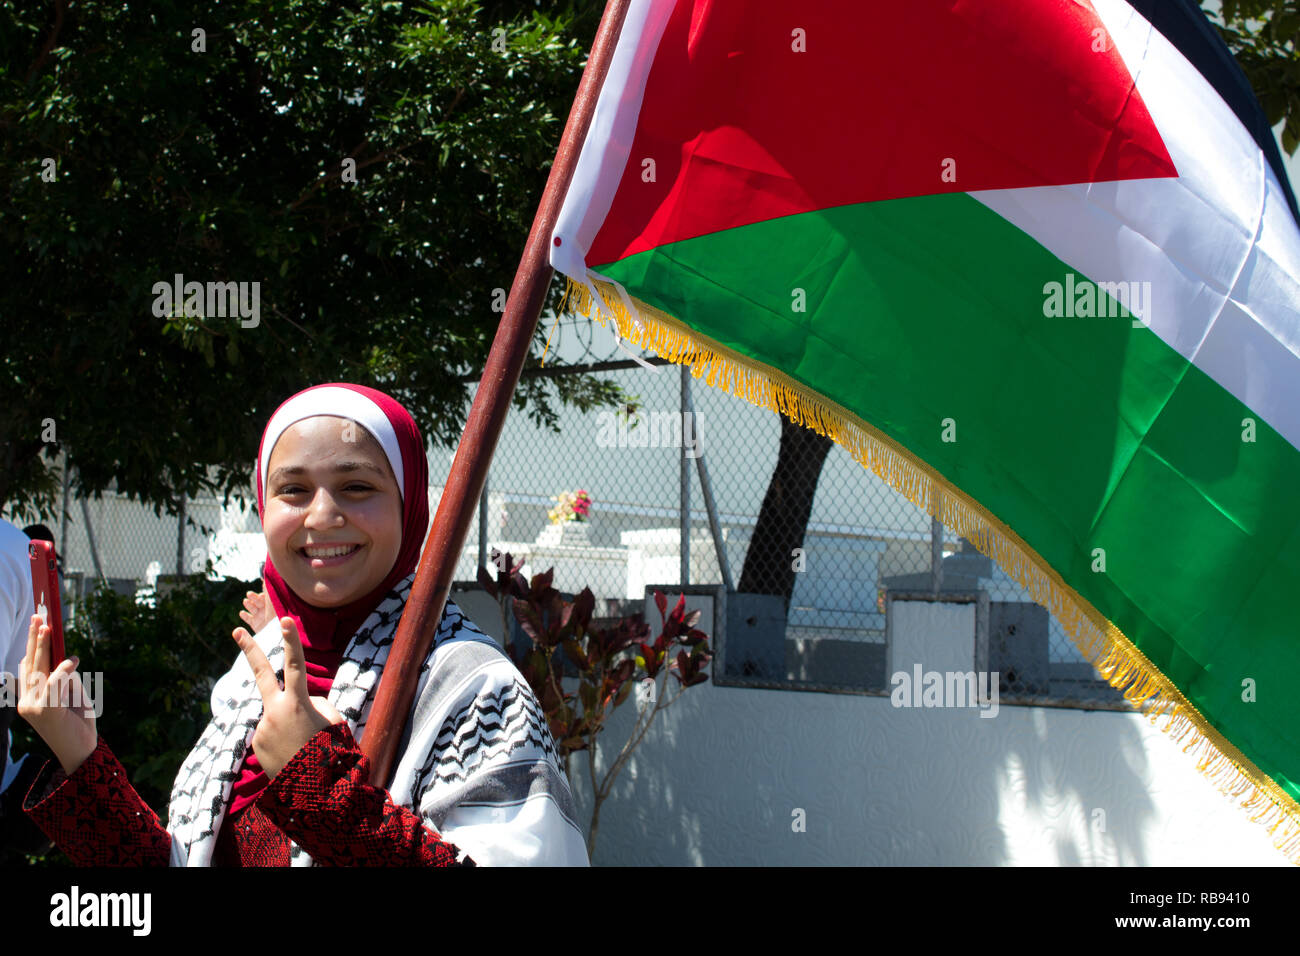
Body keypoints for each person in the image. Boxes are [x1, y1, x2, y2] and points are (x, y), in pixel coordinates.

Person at [18, 383, 588, 866]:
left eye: (357, 487)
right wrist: (79, 756)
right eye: (293, 489)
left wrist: (318, 786)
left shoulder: (469, 688)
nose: (321, 516)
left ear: (410, 505)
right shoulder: (255, 680)